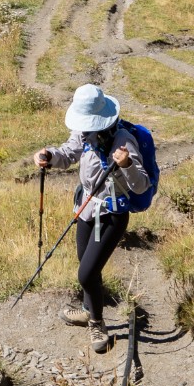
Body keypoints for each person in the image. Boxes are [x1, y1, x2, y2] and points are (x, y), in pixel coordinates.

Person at [33, 84, 156, 353]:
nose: (84, 129)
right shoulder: (85, 132)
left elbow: (141, 186)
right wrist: (50, 156)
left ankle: (97, 324)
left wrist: (126, 165)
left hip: (111, 215)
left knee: (86, 273)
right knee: (87, 266)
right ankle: (89, 310)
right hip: (85, 209)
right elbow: (68, 152)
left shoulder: (124, 141)